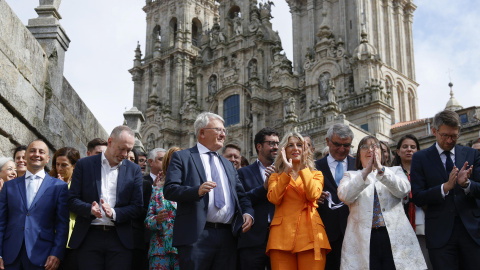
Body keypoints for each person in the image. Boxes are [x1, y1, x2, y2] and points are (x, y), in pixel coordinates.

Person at [163, 112, 254, 270]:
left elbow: (241, 195)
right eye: (218, 130)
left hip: (227, 237)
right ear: (202, 132)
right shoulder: (182, 157)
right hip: (196, 236)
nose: (223, 134)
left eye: (224, 131)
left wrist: (247, 212)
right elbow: (170, 190)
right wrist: (196, 191)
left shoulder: (228, 164)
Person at [338, 135, 426, 270]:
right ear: (358, 155)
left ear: (381, 153)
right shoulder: (350, 175)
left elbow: (403, 190)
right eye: (365, 147)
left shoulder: (395, 171)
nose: (369, 150)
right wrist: (365, 173)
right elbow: (345, 196)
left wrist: (380, 169)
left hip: (394, 236)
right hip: (364, 240)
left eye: (374, 147)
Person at [411, 110, 480, 270]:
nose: (450, 140)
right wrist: (445, 187)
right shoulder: (420, 158)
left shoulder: (471, 154)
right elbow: (418, 197)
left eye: (454, 136)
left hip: (471, 233)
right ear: (434, 131)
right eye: (445, 135)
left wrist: (466, 184)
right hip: (440, 235)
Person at [68, 126, 144, 270]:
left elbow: (137, 206)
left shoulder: (134, 170)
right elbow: (72, 200)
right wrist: (89, 209)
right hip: (89, 236)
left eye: (129, 150)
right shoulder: (85, 165)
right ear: (110, 142)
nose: (125, 154)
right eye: (122, 149)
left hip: (120, 239)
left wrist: (114, 213)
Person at [0, 139, 69, 270]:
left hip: (42, 255)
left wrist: (56, 253)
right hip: (10, 255)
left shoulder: (59, 187)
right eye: (32, 151)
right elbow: (1, 221)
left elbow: (62, 225)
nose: (36, 154)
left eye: (41, 152)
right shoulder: (9, 186)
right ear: (26, 156)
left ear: (48, 158)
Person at [266, 132, 331, 270]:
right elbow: (274, 198)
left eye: (299, 145)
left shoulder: (315, 174)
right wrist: (286, 172)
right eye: (291, 145)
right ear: (284, 150)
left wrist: (303, 167)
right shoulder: (275, 177)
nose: (295, 148)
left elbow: (313, 195)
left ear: (305, 150)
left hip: (311, 236)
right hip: (281, 237)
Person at [314, 123, 355, 270]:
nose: (342, 149)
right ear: (327, 141)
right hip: (325, 234)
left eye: (347, 145)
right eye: (337, 144)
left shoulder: (358, 165)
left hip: (354, 232)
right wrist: (313, 198)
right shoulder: (314, 167)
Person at [237, 127, 279, 270]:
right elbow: (242, 199)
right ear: (259, 146)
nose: (276, 147)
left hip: (279, 238)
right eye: (271, 143)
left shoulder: (284, 171)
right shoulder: (243, 173)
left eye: (277, 143)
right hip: (252, 240)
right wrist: (264, 188)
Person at [392, 134, 432, 269]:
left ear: (418, 151)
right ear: (397, 151)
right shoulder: (390, 174)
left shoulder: (426, 172)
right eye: (405, 147)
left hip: (424, 225)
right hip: (400, 227)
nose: (409, 150)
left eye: (413, 147)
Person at [145, 147, 181, 270]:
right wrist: (157, 219)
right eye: (172, 163)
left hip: (182, 251)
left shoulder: (191, 189)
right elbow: (148, 221)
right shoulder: (157, 190)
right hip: (159, 252)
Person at [49, 147, 81, 270]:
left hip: (72, 241)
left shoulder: (80, 185)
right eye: (57, 164)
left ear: (74, 165)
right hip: (50, 238)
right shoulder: (48, 182)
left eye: (64, 165)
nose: (60, 168)